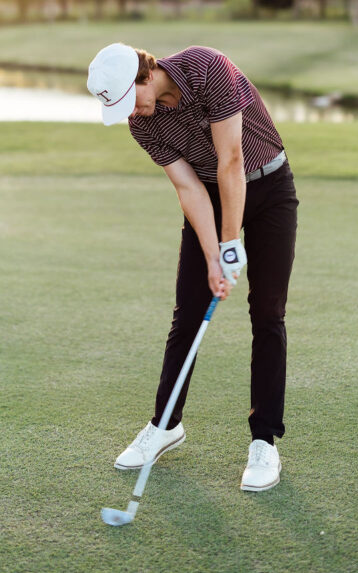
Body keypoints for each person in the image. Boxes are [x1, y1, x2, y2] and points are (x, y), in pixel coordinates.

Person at [87, 42, 298, 491]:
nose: (133, 112)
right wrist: (212, 256)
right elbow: (188, 187)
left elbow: (232, 161)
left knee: (267, 313)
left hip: (269, 189)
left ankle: (264, 442)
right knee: (187, 313)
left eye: (130, 100)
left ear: (144, 76)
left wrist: (230, 242)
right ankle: (165, 426)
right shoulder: (141, 125)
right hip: (210, 194)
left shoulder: (207, 68)